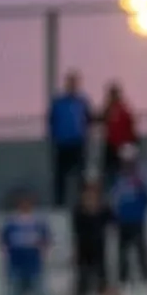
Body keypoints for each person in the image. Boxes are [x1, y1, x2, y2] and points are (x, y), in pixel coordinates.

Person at [0, 189, 54, 295]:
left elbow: (46, 241)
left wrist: (41, 253)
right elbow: (4, 242)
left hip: (34, 266)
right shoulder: (11, 223)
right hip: (16, 266)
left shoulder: (38, 222)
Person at [67, 179, 113, 295]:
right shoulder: (78, 211)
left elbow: (113, 223)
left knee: (103, 286)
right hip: (84, 255)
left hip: (99, 254)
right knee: (82, 288)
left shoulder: (104, 210)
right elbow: (76, 234)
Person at [48, 71, 94, 206]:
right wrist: (55, 137)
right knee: (60, 176)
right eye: (70, 82)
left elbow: (89, 120)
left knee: (81, 176)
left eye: (75, 82)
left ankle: (83, 203)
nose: (72, 85)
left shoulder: (83, 101)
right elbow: (51, 121)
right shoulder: (58, 102)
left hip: (78, 143)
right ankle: (59, 203)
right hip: (62, 144)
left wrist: (85, 136)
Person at [109, 151, 147, 283]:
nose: (128, 165)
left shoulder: (142, 178)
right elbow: (114, 199)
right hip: (123, 221)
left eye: (130, 162)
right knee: (123, 251)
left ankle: (146, 277)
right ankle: (123, 278)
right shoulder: (118, 179)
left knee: (141, 249)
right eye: (125, 162)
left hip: (138, 220)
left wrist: (141, 184)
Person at [98, 82, 139, 169]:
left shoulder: (123, 109)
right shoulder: (108, 109)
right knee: (110, 170)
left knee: (120, 171)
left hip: (122, 146)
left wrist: (133, 141)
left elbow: (131, 125)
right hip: (111, 145)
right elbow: (102, 120)